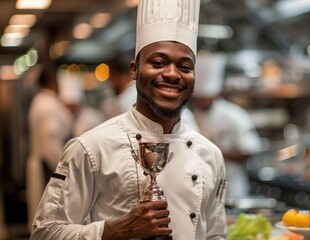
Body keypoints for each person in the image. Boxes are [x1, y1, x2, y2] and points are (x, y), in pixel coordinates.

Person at [30, 0, 228, 239]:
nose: (172, 74)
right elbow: (45, 232)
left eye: (185, 66)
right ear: (134, 69)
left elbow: (216, 234)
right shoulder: (91, 148)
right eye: (158, 62)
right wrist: (118, 229)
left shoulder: (211, 155)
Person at [192, 51, 264, 198]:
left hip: (233, 186)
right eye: (198, 98)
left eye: (205, 97)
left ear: (216, 94)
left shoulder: (234, 115)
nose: (201, 101)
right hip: (205, 185)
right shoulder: (195, 115)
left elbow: (248, 152)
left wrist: (212, 151)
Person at [26, 64, 74, 231]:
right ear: (53, 82)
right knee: (49, 219)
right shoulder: (47, 105)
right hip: (48, 166)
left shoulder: (43, 101)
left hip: (47, 163)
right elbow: (50, 142)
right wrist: (66, 170)